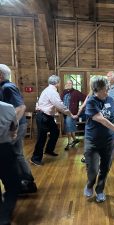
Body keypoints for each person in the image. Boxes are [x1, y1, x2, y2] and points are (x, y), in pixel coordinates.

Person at [83, 77, 114, 203]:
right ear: (97, 90)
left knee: (105, 168)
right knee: (93, 169)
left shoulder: (110, 100)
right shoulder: (91, 102)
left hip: (108, 141)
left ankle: (100, 190)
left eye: (107, 89)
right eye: (104, 90)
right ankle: (90, 184)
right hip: (92, 141)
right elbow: (100, 118)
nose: (107, 92)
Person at [0, 64, 37, 194]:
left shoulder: (8, 87)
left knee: (14, 154)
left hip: (15, 126)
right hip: (14, 126)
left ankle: (24, 182)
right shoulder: (5, 87)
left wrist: (12, 127)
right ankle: (25, 182)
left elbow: (20, 108)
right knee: (16, 154)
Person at [31, 75, 74, 166]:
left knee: (55, 132)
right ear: (58, 83)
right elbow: (60, 105)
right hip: (43, 116)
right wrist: (70, 114)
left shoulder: (48, 90)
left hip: (47, 116)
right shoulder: (52, 92)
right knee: (42, 138)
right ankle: (35, 158)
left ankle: (49, 150)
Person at [0, 100, 20, 225]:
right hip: (3, 149)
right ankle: (4, 216)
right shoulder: (8, 107)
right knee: (13, 185)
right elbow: (13, 128)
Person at [61, 80, 86, 150]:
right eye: (67, 83)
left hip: (72, 113)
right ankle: (74, 139)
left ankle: (69, 142)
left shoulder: (76, 92)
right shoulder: (63, 93)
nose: (68, 84)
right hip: (65, 113)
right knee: (69, 126)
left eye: (70, 83)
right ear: (65, 84)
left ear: (72, 84)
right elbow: (60, 102)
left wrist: (82, 109)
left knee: (68, 127)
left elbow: (86, 98)